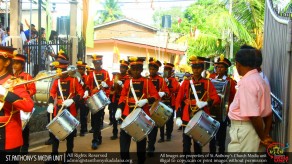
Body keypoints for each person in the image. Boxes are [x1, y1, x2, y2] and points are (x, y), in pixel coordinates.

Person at [115, 57, 159, 164]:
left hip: (141, 114)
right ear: (130, 69)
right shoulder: (127, 82)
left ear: (141, 70)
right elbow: (122, 96)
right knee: (124, 139)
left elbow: (156, 96)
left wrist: (146, 100)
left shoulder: (147, 81)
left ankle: (141, 160)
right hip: (127, 113)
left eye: (138, 69)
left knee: (141, 141)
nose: (135, 71)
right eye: (133, 69)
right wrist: (119, 109)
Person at [228, 48, 273, 152]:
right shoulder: (260, 80)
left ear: (238, 64)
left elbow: (253, 115)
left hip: (245, 130)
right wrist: (264, 135)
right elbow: (269, 114)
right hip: (254, 129)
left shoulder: (247, 82)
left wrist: (263, 137)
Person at [175, 56, 220, 158]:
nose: (196, 70)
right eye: (194, 68)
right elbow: (178, 100)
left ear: (202, 68)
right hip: (187, 115)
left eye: (198, 68)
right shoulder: (186, 82)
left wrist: (206, 103)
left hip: (202, 116)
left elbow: (216, 98)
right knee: (186, 145)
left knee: (198, 145)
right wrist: (178, 116)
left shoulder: (207, 82)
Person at [46, 59, 84, 159]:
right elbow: (52, 93)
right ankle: (54, 155)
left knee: (70, 134)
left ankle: (69, 153)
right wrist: (50, 104)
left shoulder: (74, 80)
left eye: (61, 71)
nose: (60, 73)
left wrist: (73, 100)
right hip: (58, 109)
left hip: (70, 110)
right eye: (58, 70)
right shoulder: (57, 81)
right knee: (55, 133)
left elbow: (81, 93)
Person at [0, 46, 34, 154]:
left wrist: (6, 94)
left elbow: (28, 106)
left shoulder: (14, 82)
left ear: (6, 63)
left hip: (7, 137)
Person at [208, 54, 236, 154]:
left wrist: (227, 109)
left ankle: (221, 153)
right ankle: (212, 154)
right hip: (211, 110)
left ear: (226, 69)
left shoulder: (230, 82)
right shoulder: (210, 78)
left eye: (222, 67)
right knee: (211, 134)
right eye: (218, 67)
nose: (219, 69)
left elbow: (232, 97)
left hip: (223, 111)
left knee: (221, 134)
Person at [12, 53, 36, 154]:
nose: (15, 65)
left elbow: (33, 90)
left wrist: (25, 94)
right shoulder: (11, 77)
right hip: (14, 105)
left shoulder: (27, 77)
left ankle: (25, 146)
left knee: (25, 127)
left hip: (24, 104)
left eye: (17, 63)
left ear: (22, 65)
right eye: (14, 63)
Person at [146, 57, 169, 157]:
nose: (152, 71)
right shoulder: (146, 79)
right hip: (146, 106)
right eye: (150, 69)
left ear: (157, 70)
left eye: (154, 69)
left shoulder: (161, 80)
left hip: (156, 106)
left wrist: (163, 93)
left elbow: (167, 92)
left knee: (154, 128)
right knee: (147, 126)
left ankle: (151, 146)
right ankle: (149, 143)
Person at [86, 54, 110, 149]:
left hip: (101, 98)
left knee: (98, 119)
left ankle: (95, 140)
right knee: (95, 120)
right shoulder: (91, 74)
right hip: (93, 98)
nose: (96, 64)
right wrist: (87, 91)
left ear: (101, 63)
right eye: (95, 63)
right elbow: (88, 85)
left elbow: (109, 86)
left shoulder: (106, 73)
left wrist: (106, 86)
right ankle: (98, 137)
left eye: (98, 63)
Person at [158, 62, 180, 142]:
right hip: (162, 101)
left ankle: (168, 134)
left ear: (171, 71)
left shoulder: (174, 80)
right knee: (161, 119)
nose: (166, 71)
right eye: (165, 69)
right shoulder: (161, 79)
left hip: (171, 102)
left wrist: (167, 83)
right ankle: (162, 136)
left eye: (168, 69)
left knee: (169, 120)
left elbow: (174, 89)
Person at [109, 60, 130, 140]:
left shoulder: (128, 77)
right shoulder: (117, 76)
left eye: (124, 67)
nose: (122, 69)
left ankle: (124, 132)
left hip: (124, 100)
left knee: (124, 117)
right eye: (121, 67)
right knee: (115, 117)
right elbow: (112, 87)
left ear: (127, 68)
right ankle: (114, 133)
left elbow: (129, 90)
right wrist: (113, 85)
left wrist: (123, 85)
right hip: (116, 98)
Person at [76, 60, 90, 136]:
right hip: (77, 98)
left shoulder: (87, 77)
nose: (80, 70)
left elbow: (88, 86)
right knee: (73, 114)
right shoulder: (75, 77)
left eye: (81, 69)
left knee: (83, 115)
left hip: (84, 99)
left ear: (84, 70)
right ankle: (73, 130)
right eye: (78, 69)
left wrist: (83, 83)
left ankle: (83, 129)